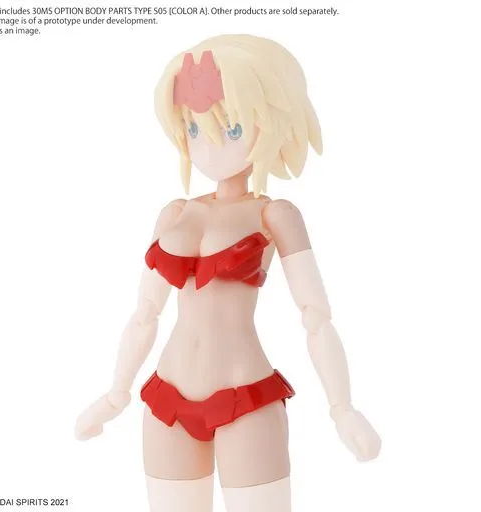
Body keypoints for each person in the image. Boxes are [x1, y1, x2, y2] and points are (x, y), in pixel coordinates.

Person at [75, 34, 381, 512]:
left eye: (231, 128)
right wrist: (115, 394)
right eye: (193, 129)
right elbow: (145, 313)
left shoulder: (274, 215)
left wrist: (342, 408)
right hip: (166, 402)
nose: (209, 146)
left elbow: (316, 316)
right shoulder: (175, 213)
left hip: (246, 400)